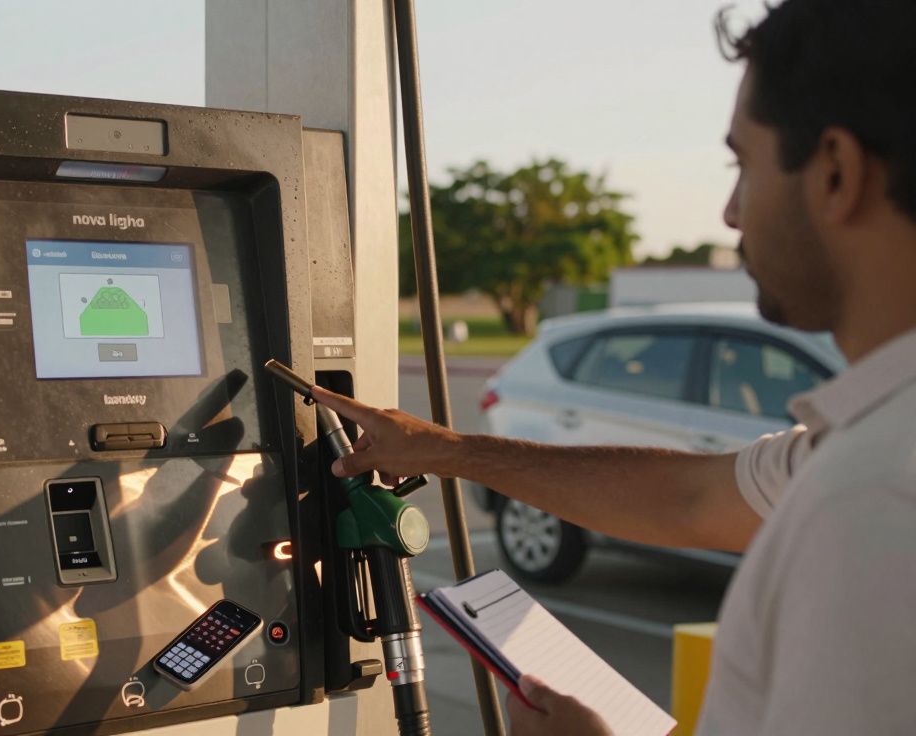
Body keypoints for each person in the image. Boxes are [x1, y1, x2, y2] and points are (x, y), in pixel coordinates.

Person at [311, 1, 916, 733]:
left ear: (835, 174)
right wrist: (447, 451)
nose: (729, 212)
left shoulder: (874, 500)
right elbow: (691, 500)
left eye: (742, 164)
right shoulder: (859, 451)